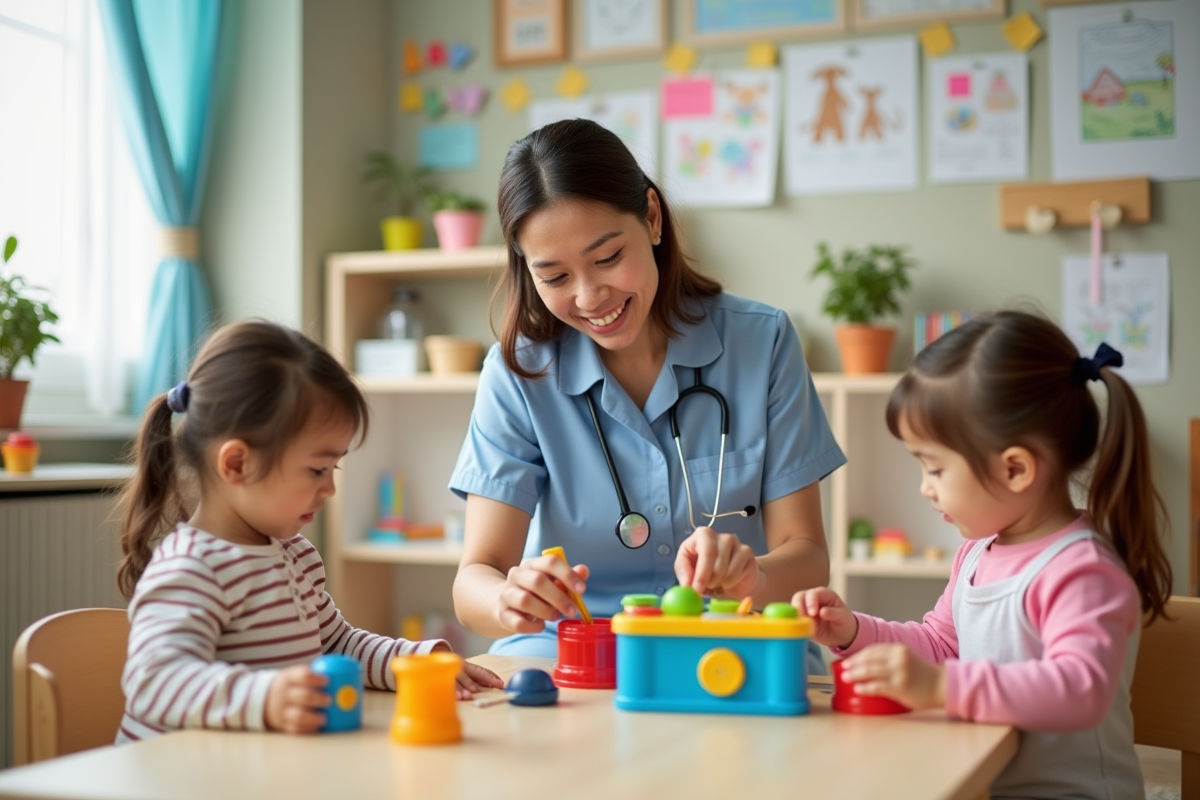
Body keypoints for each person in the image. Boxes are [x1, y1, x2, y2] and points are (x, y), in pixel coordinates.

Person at [450, 119, 845, 670]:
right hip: (574, 644)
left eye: (608, 258)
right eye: (555, 276)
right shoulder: (518, 373)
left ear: (653, 218)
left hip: (731, 637)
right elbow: (475, 578)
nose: (590, 297)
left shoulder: (763, 342)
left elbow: (807, 557)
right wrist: (509, 600)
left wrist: (753, 575)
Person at [794, 310, 1173, 799]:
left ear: (1015, 469)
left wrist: (942, 688)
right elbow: (939, 645)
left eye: (934, 469)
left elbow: (1082, 687)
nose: (925, 489)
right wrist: (853, 631)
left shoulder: (1082, 571)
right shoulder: (977, 552)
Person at [115, 321, 502, 741]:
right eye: (317, 469)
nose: (331, 488)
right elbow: (152, 683)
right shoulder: (194, 567)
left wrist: (413, 661)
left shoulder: (295, 555)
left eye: (332, 468)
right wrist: (266, 699)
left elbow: (336, 643)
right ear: (237, 464)